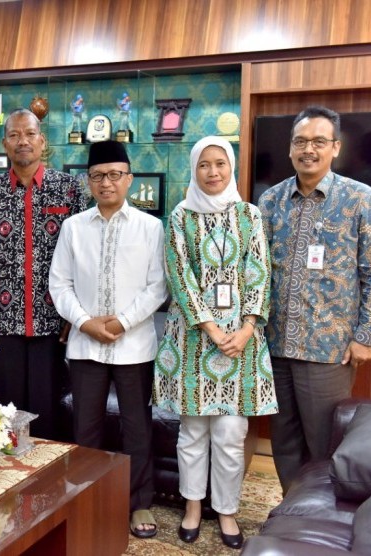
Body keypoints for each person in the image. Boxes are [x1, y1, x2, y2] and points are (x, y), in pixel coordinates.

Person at [258, 105, 371, 494]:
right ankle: (291, 510)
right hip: (276, 345)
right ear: (290, 149)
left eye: (319, 141)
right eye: (300, 142)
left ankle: (320, 519)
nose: (309, 150)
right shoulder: (270, 201)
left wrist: (367, 335)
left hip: (329, 349)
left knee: (325, 445)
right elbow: (259, 272)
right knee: (283, 441)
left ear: (335, 147)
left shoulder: (361, 199)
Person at [153, 136, 277, 549]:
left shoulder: (250, 215)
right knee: (192, 433)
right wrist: (209, 328)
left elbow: (259, 270)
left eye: (220, 163)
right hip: (193, 339)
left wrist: (245, 329)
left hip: (242, 340)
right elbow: (179, 275)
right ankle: (192, 506)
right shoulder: (180, 216)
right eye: (204, 165)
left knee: (230, 431)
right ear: (194, 169)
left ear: (231, 167)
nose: (212, 172)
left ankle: (226, 511)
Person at [49, 140, 167, 539]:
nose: (106, 182)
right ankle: (87, 496)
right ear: (88, 181)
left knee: (137, 428)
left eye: (115, 175)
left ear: (129, 180)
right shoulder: (73, 228)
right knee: (87, 429)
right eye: (98, 175)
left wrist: (121, 323)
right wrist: (84, 323)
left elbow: (157, 287)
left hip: (134, 347)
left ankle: (138, 504)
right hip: (84, 347)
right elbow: (59, 284)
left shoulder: (151, 227)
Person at [0, 108, 88, 440]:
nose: (22, 141)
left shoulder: (68, 189)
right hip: (3, 323)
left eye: (29, 134)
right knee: (6, 414)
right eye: (14, 135)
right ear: (4, 143)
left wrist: (75, 314)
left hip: (55, 323)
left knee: (49, 412)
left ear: (42, 140)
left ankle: (49, 486)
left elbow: (81, 258)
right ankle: (7, 482)